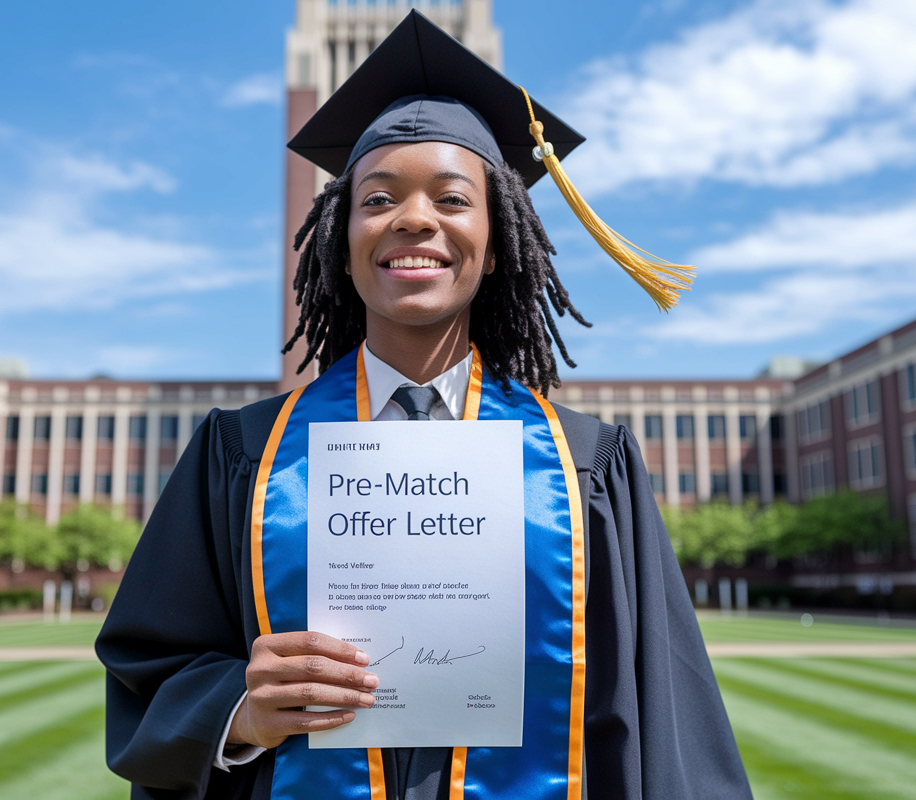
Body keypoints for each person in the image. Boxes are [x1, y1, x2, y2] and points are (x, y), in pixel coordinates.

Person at [97, 10, 751, 800]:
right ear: (340, 238)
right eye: (376, 199)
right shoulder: (243, 453)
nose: (414, 219)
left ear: (500, 237)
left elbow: (660, 716)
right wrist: (240, 707)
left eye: (452, 197)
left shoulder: (587, 467)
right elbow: (151, 670)